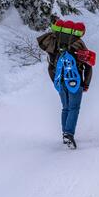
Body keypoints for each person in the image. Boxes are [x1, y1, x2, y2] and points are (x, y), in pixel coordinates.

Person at [37, 19, 93, 149]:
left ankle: (65, 134)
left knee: (65, 107)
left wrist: (55, 81)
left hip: (60, 80)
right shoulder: (78, 43)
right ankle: (68, 133)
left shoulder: (54, 43)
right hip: (75, 80)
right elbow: (88, 65)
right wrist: (86, 83)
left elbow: (51, 66)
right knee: (74, 108)